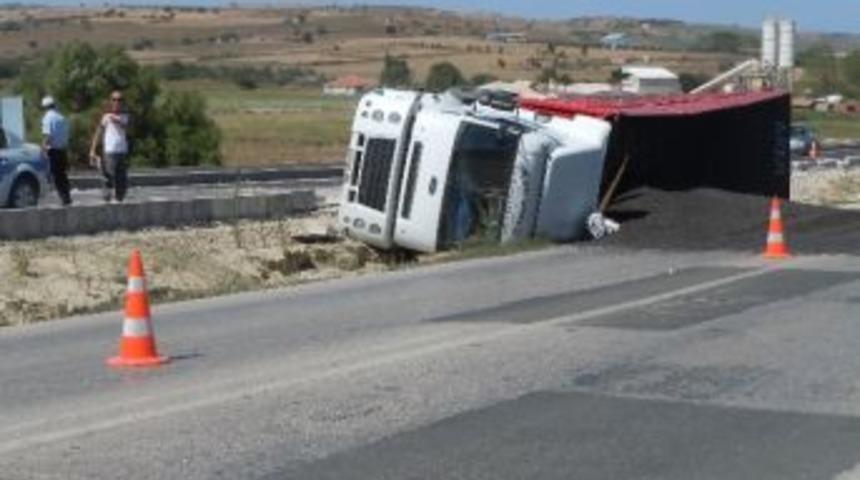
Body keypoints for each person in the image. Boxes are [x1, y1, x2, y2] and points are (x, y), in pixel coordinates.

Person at [89, 90, 130, 202]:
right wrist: (92, 150)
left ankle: (119, 200)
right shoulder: (106, 117)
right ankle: (106, 199)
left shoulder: (125, 116)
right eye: (114, 99)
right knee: (108, 176)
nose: (117, 102)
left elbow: (126, 126)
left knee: (122, 179)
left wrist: (116, 119)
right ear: (111, 101)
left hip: (122, 151)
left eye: (119, 99)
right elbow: (98, 132)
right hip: (110, 151)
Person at [40, 96, 72, 206]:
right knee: (63, 174)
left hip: (53, 150)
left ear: (44, 107)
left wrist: (43, 148)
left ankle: (63, 199)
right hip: (63, 150)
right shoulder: (62, 117)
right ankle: (67, 197)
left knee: (57, 176)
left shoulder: (47, 118)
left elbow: (48, 135)